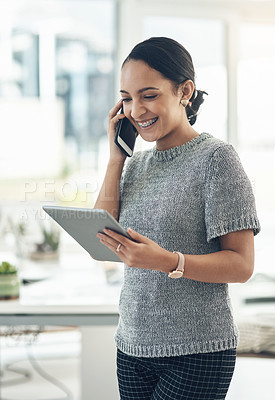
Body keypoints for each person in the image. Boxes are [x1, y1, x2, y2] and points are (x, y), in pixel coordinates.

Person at [94, 37, 260, 400]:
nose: (136, 110)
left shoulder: (217, 159)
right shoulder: (134, 165)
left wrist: (168, 262)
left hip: (197, 351)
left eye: (149, 95)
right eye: (126, 97)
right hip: (132, 347)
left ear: (185, 91)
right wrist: (115, 157)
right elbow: (101, 235)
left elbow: (242, 265)